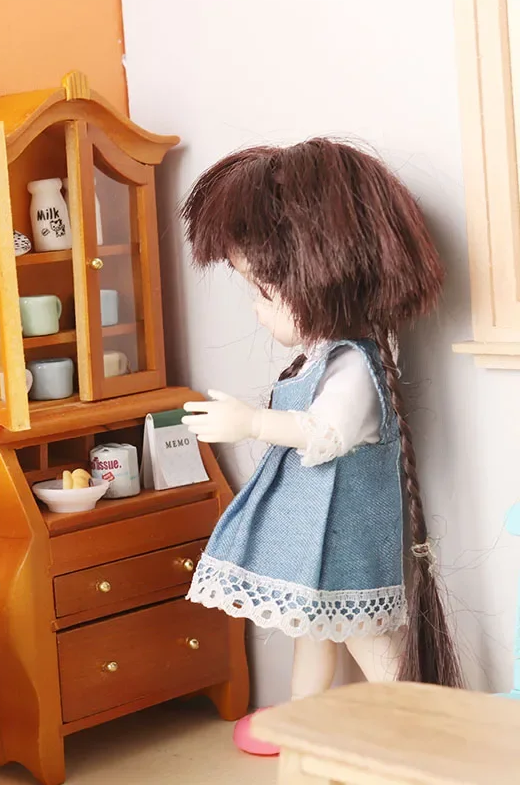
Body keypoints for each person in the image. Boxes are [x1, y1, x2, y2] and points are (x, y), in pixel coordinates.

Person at [179, 139, 462, 752]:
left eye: (264, 292)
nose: (257, 310)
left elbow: (324, 434)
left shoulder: (354, 366)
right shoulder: (324, 357)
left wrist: (250, 422)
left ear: (321, 282)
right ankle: (301, 718)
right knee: (311, 630)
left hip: (343, 542)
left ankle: (423, 730)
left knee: (368, 639)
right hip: (317, 539)